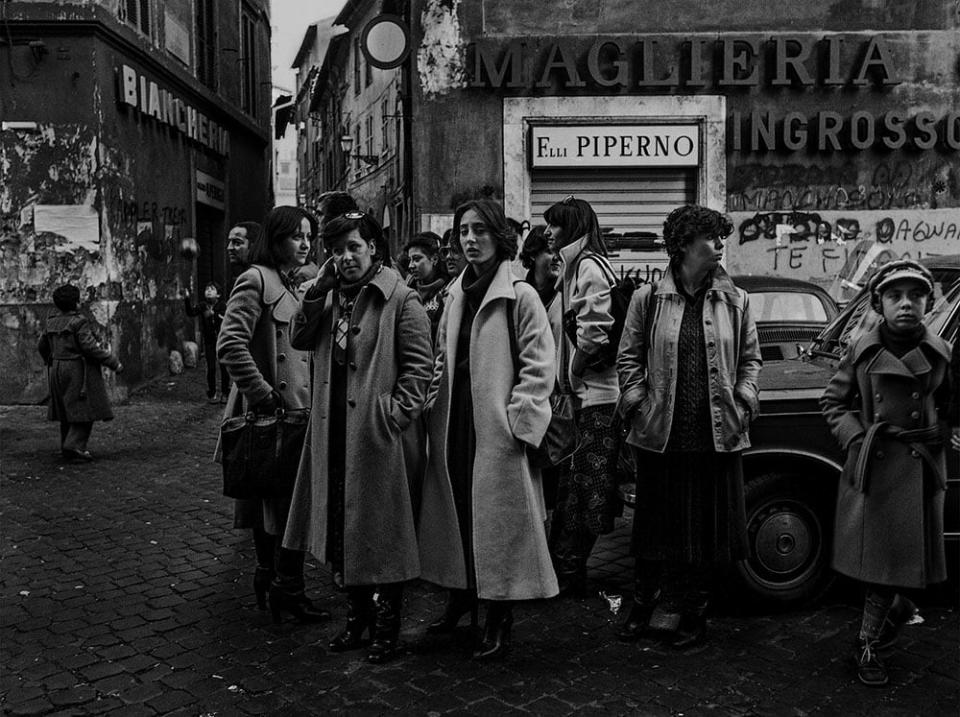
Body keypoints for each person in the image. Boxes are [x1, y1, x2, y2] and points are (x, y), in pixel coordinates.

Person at [282, 211, 433, 664]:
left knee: (382, 534)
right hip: (333, 432)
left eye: (354, 247)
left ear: (373, 248)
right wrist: (317, 290)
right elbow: (299, 337)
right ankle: (357, 620)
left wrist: (395, 414)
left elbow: (419, 368)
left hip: (376, 435)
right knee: (345, 530)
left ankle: (387, 627)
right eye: (337, 250)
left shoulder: (400, 299)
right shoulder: (328, 297)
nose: (346, 257)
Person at [616, 204, 760, 649]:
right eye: (711, 238)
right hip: (662, 433)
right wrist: (638, 400)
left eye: (722, 238)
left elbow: (751, 360)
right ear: (683, 245)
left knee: (705, 531)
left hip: (716, 434)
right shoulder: (648, 298)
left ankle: (695, 616)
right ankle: (644, 604)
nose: (720, 246)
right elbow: (628, 357)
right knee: (654, 529)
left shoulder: (735, 299)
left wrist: (745, 398)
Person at [419, 199, 558, 661]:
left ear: (499, 237)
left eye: (480, 230)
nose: (470, 238)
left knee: (497, 521)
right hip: (455, 420)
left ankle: (499, 611)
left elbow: (540, 367)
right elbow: (442, 356)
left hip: (496, 428)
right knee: (458, 508)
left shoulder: (521, 294)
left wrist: (520, 422)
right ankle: (460, 595)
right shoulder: (456, 293)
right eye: (463, 230)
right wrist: (432, 401)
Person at [820, 259, 954, 687]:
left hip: (922, 467)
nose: (906, 305)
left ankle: (889, 623)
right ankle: (868, 646)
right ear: (879, 303)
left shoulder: (940, 352)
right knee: (883, 573)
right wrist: (857, 439)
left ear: (928, 303)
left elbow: (951, 402)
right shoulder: (863, 350)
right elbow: (834, 403)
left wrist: (945, 428)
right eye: (895, 296)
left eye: (916, 296)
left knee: (916, 574)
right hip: (879, 466)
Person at [216, 205, 329, 624]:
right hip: (271, 412)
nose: (304, 244)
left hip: (299, 412)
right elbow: (229, 345)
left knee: (286, 504)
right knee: (275, 502)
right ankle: (282, 585)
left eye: (308, 236)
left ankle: (278, 582)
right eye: (297, 236)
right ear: (277, 239)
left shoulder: (298, 284)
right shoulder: (256, 280)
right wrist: (263, 396)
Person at [543, 196, 621, 596]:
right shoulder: (574, 267)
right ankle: (566, 568)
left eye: (555, 226)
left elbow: (595, 333)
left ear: (571, 227)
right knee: (576, 487)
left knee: (588, 488)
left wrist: (573, 373)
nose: (548, 233)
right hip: (584, 398)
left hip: (598, 398)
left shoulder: (588, 267)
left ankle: (571, 570)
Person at [38, 284, 124, 461]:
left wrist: (51, 360)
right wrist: (113, 362)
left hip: (57, 368)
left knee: (66, 409)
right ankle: (74, 446)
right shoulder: (79, 322)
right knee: (85, 409)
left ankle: (66, 445)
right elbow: (89, 348)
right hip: (78, 369)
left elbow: (42, 346)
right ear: (76, 303)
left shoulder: (51, 321)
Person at [518, 225, 563, 512]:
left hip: (561, 407)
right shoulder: (519, 298)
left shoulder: (568, 295)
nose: (557, 257)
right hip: (532, 402)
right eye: (549, 251)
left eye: (560, 251)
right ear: (532, 256)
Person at [183, 281, 228, 403]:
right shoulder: (202, 306)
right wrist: (187, 298)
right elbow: (190, 312)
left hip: (222, 340)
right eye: (207, 289)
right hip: (209, 341)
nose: (208, 290)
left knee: (224, 367)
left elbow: (227, 318)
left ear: (218, 295)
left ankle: (225, 393)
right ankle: (212, 393)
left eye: (212, 289)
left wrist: (215, 314)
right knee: (211, 367)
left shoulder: (223, 306)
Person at [404, 231, 448, 340]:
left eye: (417, 259)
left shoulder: (447, 292)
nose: (411, 266)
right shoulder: (408, 289)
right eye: (410, 260)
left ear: (434, 259)